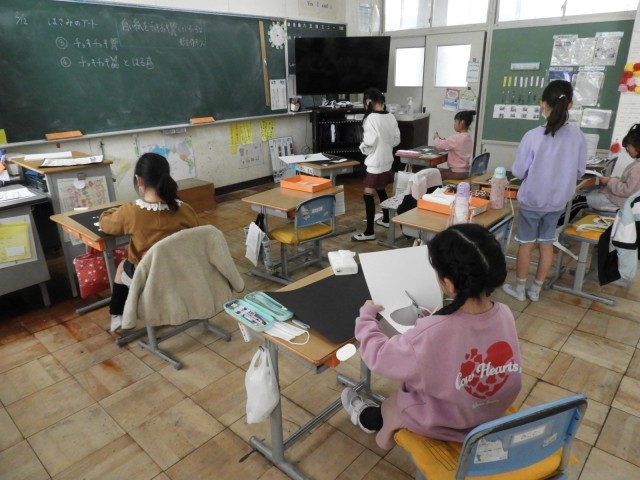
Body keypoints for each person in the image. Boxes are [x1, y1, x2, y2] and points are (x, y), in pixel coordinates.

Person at [341, 224, 522, 449]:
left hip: (446, 422)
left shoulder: (432, 332)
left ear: (449, 284)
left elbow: (379, 357)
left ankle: (367, 418)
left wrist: (367, 318)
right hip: (490, 410)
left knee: (395, 405)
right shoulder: (504, 313)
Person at [503, 80, 586, 302]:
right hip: (557, 202)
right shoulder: (578, 136)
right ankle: (536, 290)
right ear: (570, 105)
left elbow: (519, 171)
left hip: (532, 200)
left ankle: (520, 289)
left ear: (542, 104)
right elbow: (580, 170)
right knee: (547, 244)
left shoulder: (532, 136)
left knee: (526, 244)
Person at [99, 152, 200, 331]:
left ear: (139, 180)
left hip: (150, 275)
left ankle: (117, 314)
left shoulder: (131, 211)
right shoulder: (185, 209)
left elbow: (106, 224)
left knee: (122, 266)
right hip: (182, 269)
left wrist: (110, 211)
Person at [352, 87, 400, 241]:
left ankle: (369, 232)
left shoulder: (370, 118)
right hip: (387, 161)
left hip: (375, 162)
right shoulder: (391, 116)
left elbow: (369, 142)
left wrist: (362, 148)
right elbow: (396, 140)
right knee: (380, 188)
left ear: (368, 101)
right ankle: (386, 219)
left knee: (368, 195)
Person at [566, 123, 640, 218]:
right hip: (618, 198)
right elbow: (628, 184)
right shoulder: (637, 164)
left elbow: (626, 190)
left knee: (578, 201)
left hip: (617, 201)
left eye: (629, 147)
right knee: (580, 198)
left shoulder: (638, 167)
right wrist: (612, 179)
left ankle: (559, 223)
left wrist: (609, 181)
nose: (627, 149)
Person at [433, 110, 476, 180]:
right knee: (439, 171)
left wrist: (436, 137)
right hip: (465, 172)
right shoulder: (468, 137)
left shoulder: (456, 138)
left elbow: (439, 144)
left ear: (461, 122)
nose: (454, 124)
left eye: (455, 121)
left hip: (456, 173)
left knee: (433, 176)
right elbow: (450, 144)